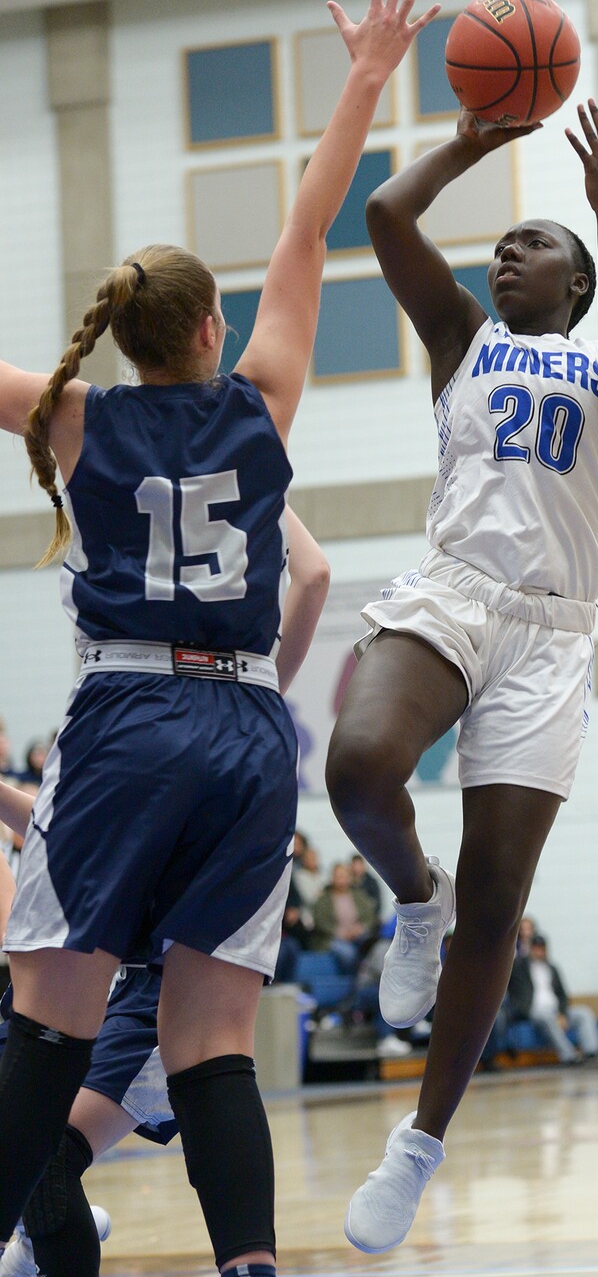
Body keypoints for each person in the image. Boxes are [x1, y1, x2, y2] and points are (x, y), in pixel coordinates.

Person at [0, 0, 440, 1273]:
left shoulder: (72, 416)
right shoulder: (261, 402)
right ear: (209, 324)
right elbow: (311, 232)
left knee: (50, 1025)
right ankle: (250, 1264)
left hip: (131, 718)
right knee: (212, 1047)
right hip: (250, 732)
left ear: (122, 340)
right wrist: (366, 76)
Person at [325, 97, 598, 1252]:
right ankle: (415, 896)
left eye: (538, 246)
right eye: (503, 242)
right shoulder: (463, 338)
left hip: (552, 635)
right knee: (360, 766)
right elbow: (383, 210)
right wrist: (474, 141)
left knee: (502, 904)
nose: (509, 250)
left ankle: (417, 1147)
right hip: (454, 592)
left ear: (575, 284)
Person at [0, 507, 328, 1277]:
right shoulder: (248, 700)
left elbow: (311, 576)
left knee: (44, 1149)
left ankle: (31, 1240)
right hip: (144, 976)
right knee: (49, 1153)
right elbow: (311, 575)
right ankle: (33, 1239)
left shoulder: (126, 711)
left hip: (151, 991)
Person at [508, 933, 598, 1063]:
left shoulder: (552, 968)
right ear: (530, 949)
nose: (539, 951)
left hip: (555, 1010)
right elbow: (513, 991)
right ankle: (569, 1056)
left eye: (542, 948)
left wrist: (562, 1014)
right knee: (546, 1016)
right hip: (534, 1011)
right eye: (536, 948)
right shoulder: (519, 968)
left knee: (583, 1012)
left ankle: (592, 1052)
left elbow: (562, 995)